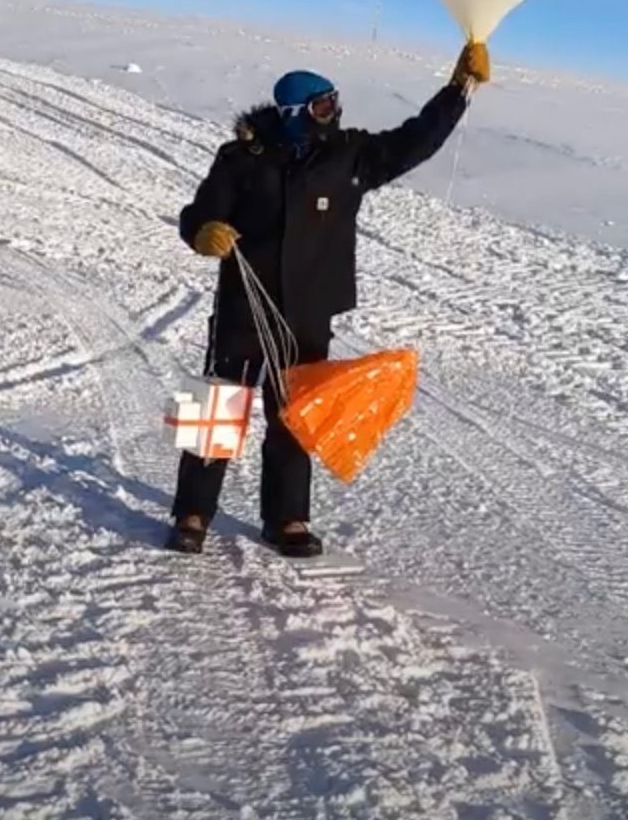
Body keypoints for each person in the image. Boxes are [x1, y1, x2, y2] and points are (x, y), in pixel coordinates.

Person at [167, 40, 491, 556]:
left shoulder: (349, 157)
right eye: (322, 106)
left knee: (296, 415)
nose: (333, 114)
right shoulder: (241, 159)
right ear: (294, 114)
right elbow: (199, 211)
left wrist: (458, 90)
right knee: (217, 410)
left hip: (307, 312)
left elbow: (416, 141)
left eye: (335, 103)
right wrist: (202, 232)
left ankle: (288, 519)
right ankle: (192, 512)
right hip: (242, 308)